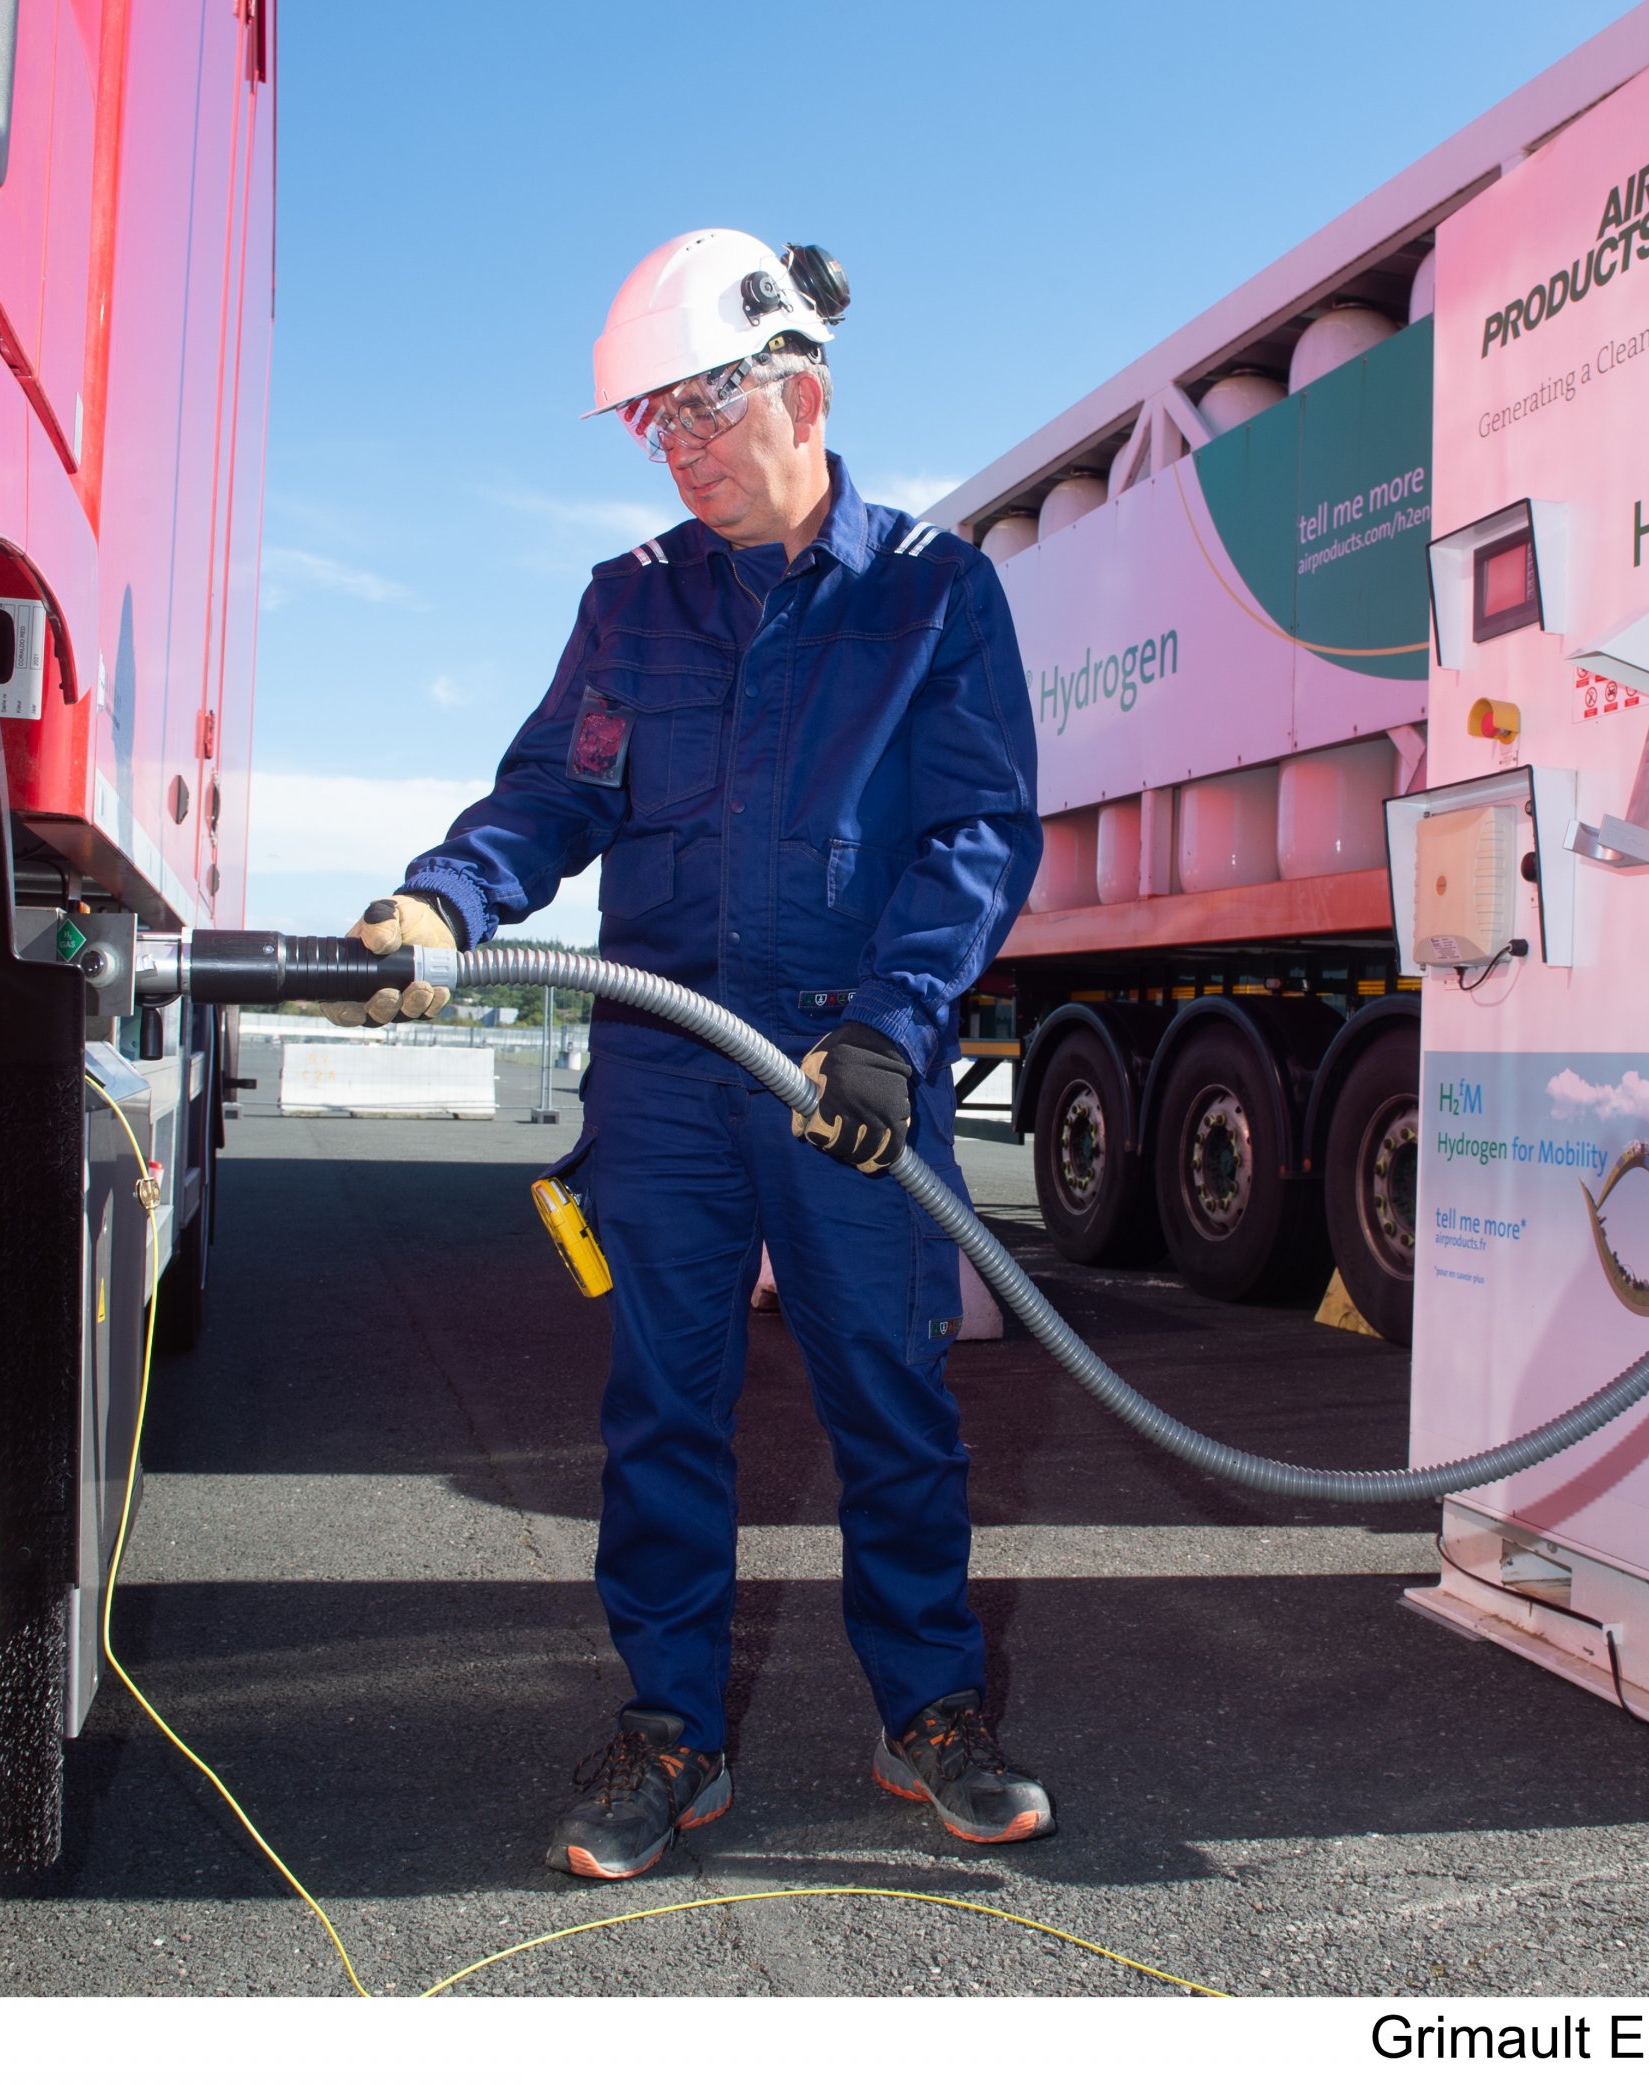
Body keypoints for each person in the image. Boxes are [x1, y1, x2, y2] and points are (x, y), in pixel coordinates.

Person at [337, 230, 1049, 1881]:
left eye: (703, 409)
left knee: (891, 1393)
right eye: (655, 422)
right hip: (666, 1067)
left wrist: (893, 1024)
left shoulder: (931, 592)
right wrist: (446, 896)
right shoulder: (633, 603)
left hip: (846, 1066)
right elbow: (552, 795)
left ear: (801, 389)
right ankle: (672, 1728)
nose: (678, 448)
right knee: (664, 1405)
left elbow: (977, 833)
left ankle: (931, 1709)